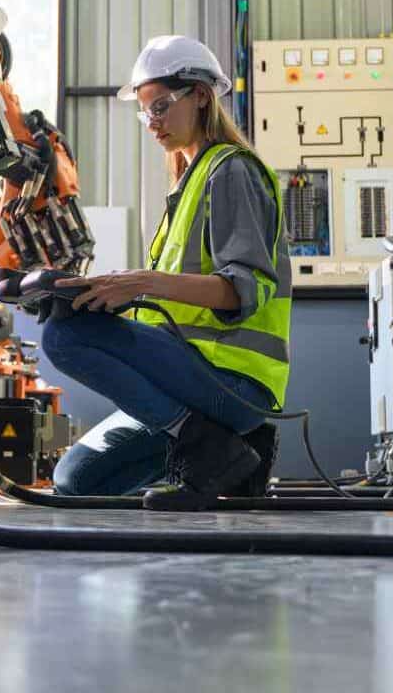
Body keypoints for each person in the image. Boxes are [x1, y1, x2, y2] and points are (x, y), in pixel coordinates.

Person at [42, 34, 293, 508]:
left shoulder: (231, 171)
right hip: (184, 384)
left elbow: (245, 291)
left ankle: (209, 449)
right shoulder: (187, 183)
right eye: (145, 113)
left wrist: (139, 282)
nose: (151, 123)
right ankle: (232, 453)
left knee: (64, 337)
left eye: (160, 107)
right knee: (76, 480)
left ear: (200, 95)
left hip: (231, 381)